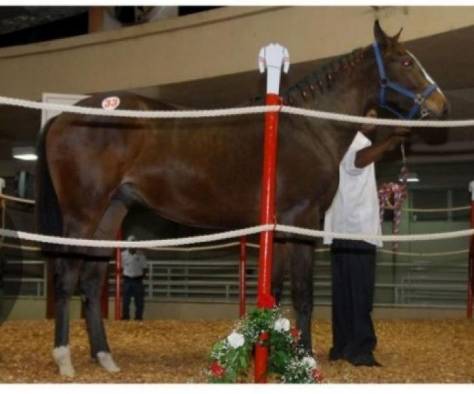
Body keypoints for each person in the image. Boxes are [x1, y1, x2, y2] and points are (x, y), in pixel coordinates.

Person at [324, 109, 409, 367]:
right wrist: (390, 141)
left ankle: (342, 346)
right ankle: (359, 349)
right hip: (357, 228)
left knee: (344, 294)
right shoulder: (356, 141)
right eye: (369, 112)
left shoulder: (340, 140)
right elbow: (357, 162)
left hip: (342, 227)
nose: (373, 117)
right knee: (359, 292)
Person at [121, 235, 148, 320]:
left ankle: (138, 318)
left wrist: (141, 277)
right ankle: (125, 317)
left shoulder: (141, 255)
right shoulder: (122, 255)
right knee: (125, 301)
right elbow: (120, 267)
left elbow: (145, 268)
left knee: (139, 301)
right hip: (127, 279)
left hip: (137, 280)